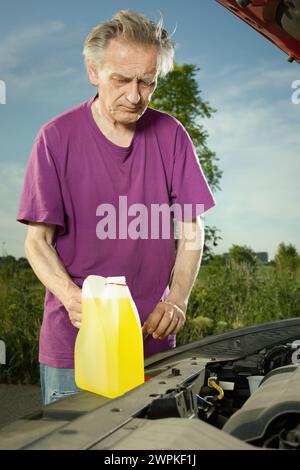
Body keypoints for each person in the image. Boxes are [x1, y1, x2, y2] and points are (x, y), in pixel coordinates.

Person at [16, 10, 216, 406]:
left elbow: (191, 230)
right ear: (93, 71)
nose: (135, 95)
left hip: (153, 345)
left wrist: (177, 298)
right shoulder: (55, 138)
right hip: (75, 349)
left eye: (147, 81)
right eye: (121, 80)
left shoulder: (172, 135)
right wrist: (71, 298)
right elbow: (37, 242)